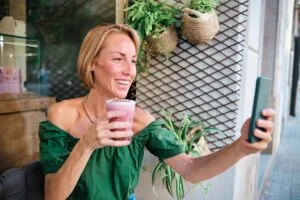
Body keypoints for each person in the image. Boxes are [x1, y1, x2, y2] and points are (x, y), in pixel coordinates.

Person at [39, 23, 275, 200]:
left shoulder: (140, 121)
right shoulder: (63, 115)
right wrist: (86, 144)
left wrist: (241, 146)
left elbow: (190, 169)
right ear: (92, 62)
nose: (129, 71)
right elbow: (53, 195)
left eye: (132, 61)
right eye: (118, 59)